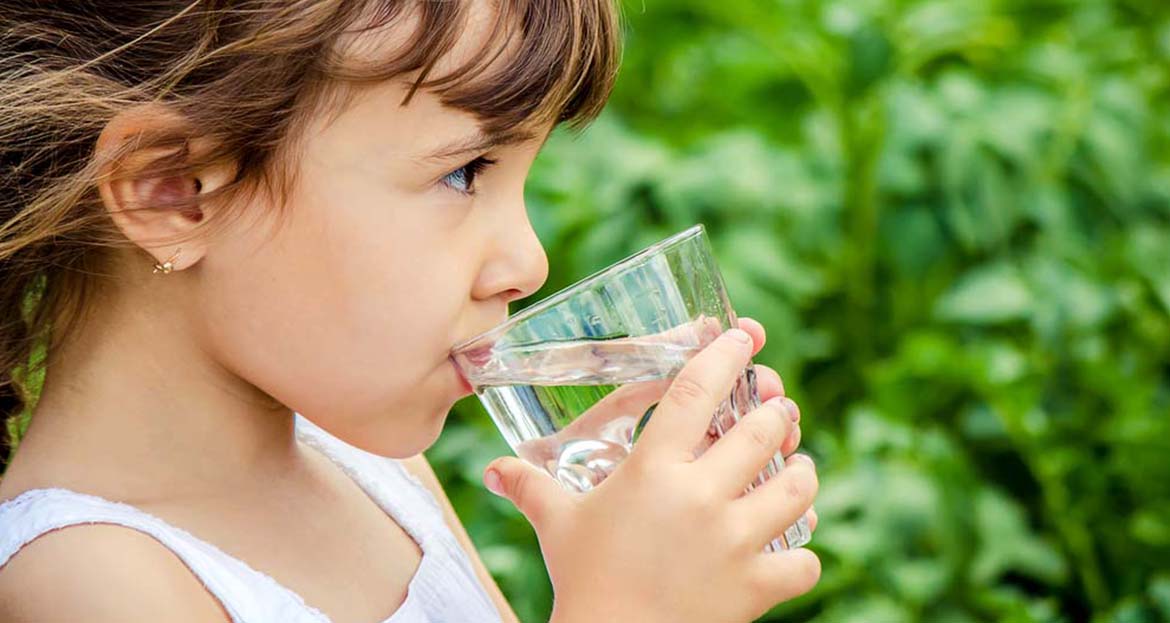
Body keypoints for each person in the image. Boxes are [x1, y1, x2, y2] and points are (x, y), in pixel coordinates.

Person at [0, 2, 820, 621]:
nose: (527, 262)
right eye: (465, 173)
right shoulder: (85, 584)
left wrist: (623, 564)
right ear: (174, 192)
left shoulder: (375, 473)